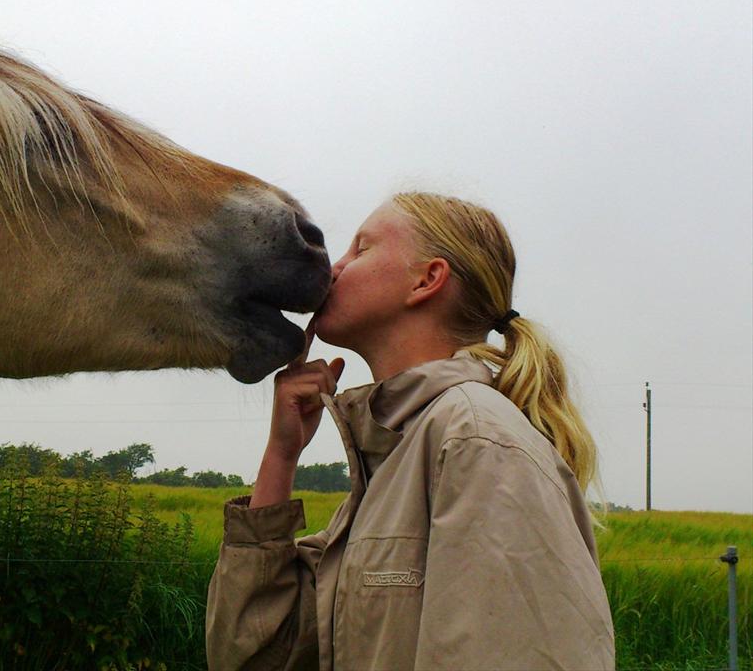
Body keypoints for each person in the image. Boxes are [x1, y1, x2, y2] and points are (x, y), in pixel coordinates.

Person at [206, 192, 615, 670]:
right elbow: (253, 653)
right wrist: (281, 455)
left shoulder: (474, 440)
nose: (334, 269)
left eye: (361, 249)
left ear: (427, 280)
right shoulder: (397, 454)